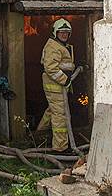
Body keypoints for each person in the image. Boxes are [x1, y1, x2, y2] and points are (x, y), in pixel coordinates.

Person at [37, 18, 76, 152]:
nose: (64, 34)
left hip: (58, 85)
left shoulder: (61, 46)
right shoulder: (53, 46)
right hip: (55, 85)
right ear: (55, 33)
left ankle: (39, 135)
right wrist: (64, 80)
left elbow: (64, 64)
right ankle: (60, 148)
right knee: (60, 115)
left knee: (52, 110)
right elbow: (51, 68)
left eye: (66, 32)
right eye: (61, 32)